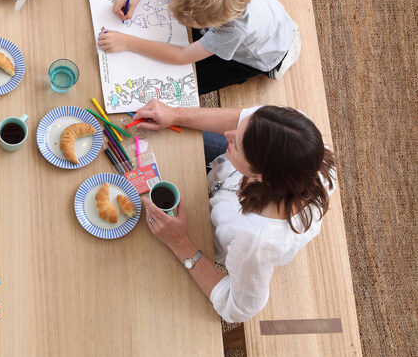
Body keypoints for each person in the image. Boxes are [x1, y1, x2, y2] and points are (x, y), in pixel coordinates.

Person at [134, 99, 335, 323]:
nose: (227, 134)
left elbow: (238, 310)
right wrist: (175, 114)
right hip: (220, 181)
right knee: (144, 124)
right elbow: (239, 120)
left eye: (236, 143)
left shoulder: (255, 241)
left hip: (212, 235)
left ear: (262, 177)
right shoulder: (297, 135)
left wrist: (179, 243)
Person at [97, 0, 302, 95]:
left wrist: (128, 42)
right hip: (270, 21)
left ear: (215, 23)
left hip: (265, 55)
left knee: (188, 83)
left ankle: (274, 64)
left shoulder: (233, 31)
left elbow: (183, 56)